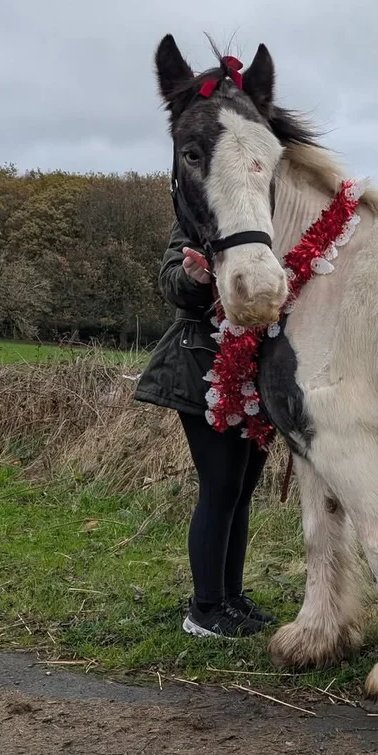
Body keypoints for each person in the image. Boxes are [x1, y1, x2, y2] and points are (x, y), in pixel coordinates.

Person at [134, 221, 274, 638]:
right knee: (221, 486)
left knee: (241, 490)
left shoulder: (268, 221)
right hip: (203, 368)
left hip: (256, 374)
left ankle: (230, 598)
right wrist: (192, 277)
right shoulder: (197, 216)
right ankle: (205, 608)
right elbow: (171, 282)